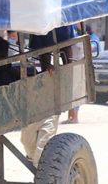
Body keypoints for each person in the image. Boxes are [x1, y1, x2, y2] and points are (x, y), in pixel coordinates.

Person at [21, 25, 75, 166]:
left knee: (44, 144)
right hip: (34, 103)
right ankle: (38, 166)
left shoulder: (63, 30)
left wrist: (66, 69)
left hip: (51, 100)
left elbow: (67, 47)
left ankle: (40, 169)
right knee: (27, 141)